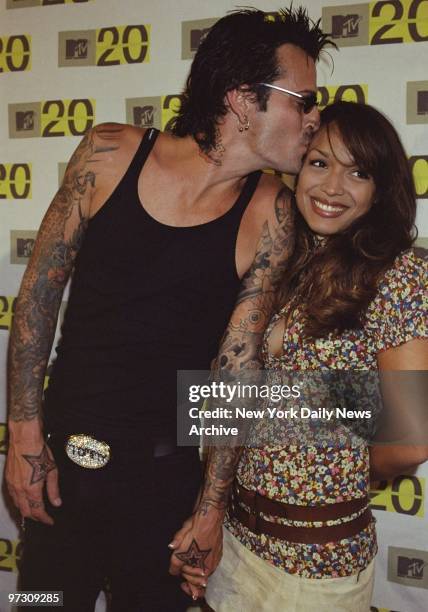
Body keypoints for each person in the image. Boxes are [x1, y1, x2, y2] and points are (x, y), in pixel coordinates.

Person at [5, 7, 333, 612]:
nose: (315, 119)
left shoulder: (270, 212)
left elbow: (239, 370)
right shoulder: (108, 152)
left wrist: (211, 511)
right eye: (303, 101)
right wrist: (23, 436)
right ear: (241, 99)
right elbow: (39, 296)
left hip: (164, 494)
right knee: (43, 605)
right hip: (59, 480)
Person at [203, 101, 428, 611]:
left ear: (380, 189)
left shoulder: (395, 276)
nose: (331, 187)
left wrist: (343, 472)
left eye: (358, 172)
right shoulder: (284, 260)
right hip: (235, 542)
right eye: (320, 162)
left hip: (316, 565)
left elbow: (411, 442)